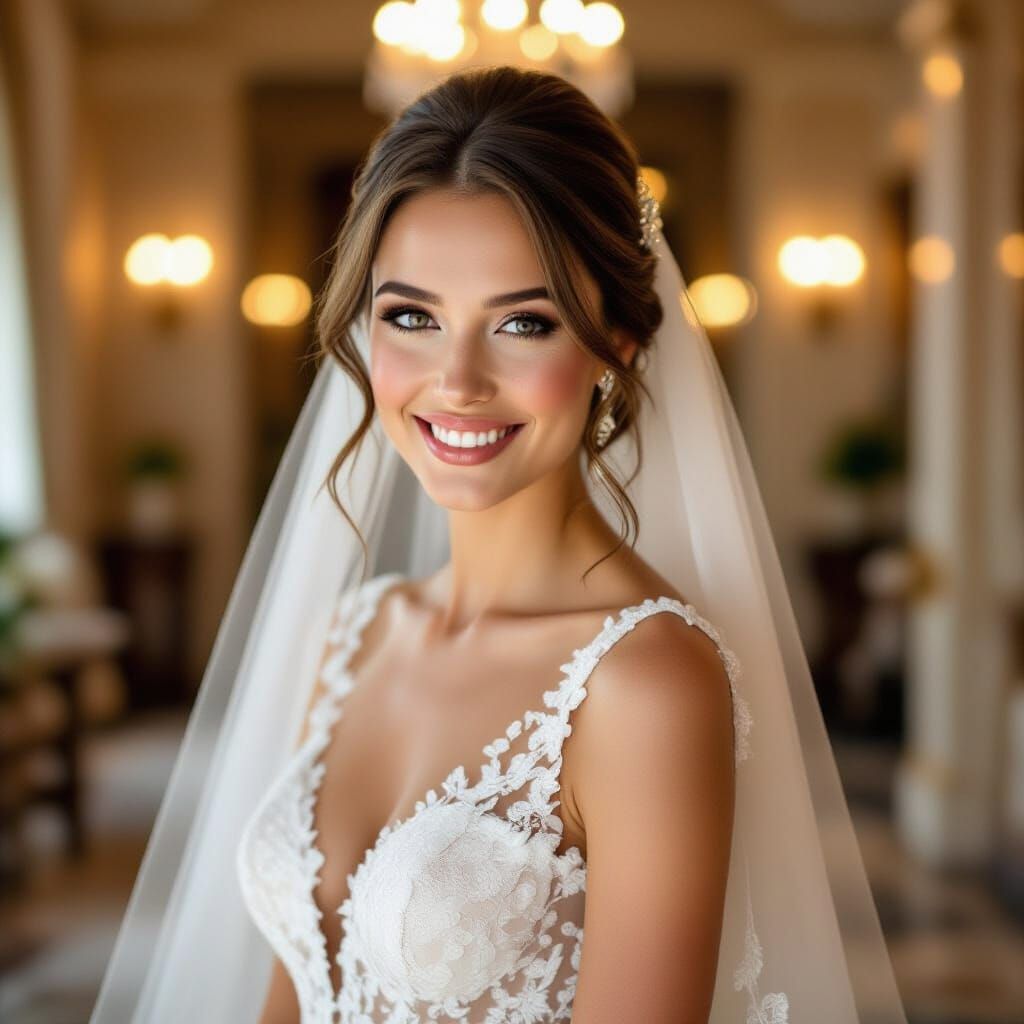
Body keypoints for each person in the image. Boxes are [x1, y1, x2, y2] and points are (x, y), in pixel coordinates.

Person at [91, 66, 908, 1023]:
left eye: (524, 322)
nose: (459, 380)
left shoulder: (647, 684)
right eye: (412, 317)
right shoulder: (354, 635)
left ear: (619, 344)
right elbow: (297, 987)